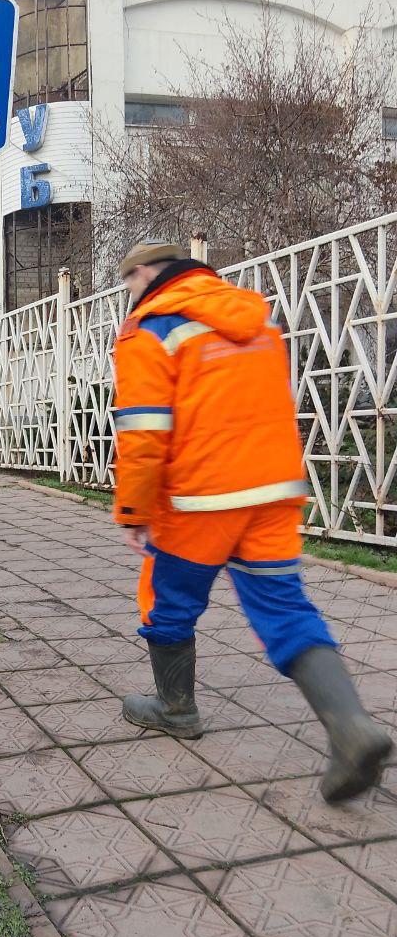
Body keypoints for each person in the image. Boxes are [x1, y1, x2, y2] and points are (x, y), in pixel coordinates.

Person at [113, 241, 392, 803]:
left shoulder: (151, 328)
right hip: (272, 489)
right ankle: (351, 727)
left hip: (198, 498)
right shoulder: (254, 318)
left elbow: (144, 431)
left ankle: (176, 708)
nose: (130, 295)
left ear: (145, 274)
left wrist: (135, 510)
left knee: (166, 600)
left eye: (129, 285)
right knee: (285, 608)